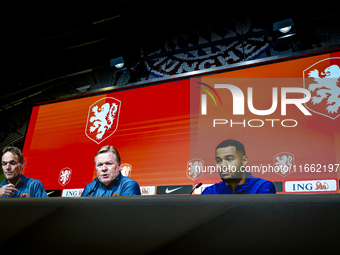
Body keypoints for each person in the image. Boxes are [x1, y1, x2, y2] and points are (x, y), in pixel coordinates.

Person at [202, 139, 276, 194]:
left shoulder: (261, 187)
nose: (223, 165)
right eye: (219, 160)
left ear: (244, 161)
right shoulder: (210, 192)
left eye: (229, 159)